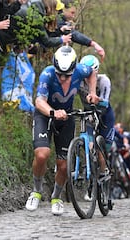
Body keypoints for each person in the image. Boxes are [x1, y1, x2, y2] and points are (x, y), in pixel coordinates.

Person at [25, 46, 98, 216]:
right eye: (60, 74)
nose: (63, 78)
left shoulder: (80, 70)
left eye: (68, 75)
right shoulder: (48, 74)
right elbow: (39, 101)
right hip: (46, 115)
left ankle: (56, 197)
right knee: (42, 154)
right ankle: (36, 191)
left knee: (64, 165)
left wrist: (92, 92)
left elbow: (92, 73)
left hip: (66, 118)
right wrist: (53, 112)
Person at [78, 54, 115, 174]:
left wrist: (97, 100)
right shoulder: (78, 81)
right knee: (89, 146)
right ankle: (89, 171)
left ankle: (103, 172)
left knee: (101, 153)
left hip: (105, 116)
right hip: (89, 114)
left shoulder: (104, 80)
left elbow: (105, 102)